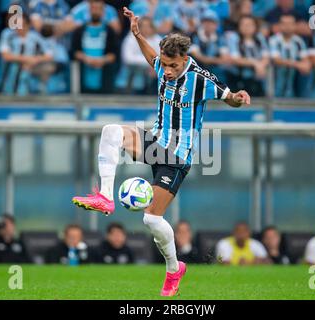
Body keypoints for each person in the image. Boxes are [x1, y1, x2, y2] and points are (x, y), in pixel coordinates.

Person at [72, 6, 250, 297]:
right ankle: (105, 196)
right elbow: (152, 57)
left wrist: (239, 99)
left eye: (173, 66)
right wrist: (138, 34)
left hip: (178, 155)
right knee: (111, 131)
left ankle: (173, 269)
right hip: (155, 142)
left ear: (185, 59)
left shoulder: (200, 79)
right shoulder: (162, 65)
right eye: (165, 65)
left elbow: (228, 97)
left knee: (151, 219)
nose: (166, 71)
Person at [0, 13, 54, 95]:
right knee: (14, 68)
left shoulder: (35, 37)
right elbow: (5, 56)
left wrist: (35, 60)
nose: (19, 28)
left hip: (30, 68)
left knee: (46, 67)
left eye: (22, 25)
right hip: (11, 66)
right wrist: (26, 59)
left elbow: (49, 55)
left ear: (28, 25)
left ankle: (36, 91)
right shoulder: (7, 34)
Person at [71, 0, 118, 93]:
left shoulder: (110, 31)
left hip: (104, 80)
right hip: (82, 78)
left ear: (103, 12)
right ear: (89, 11)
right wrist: (86, 59)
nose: (96, 11)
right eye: (93, 9)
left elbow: (114, 54)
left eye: (98, 9)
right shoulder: (79, 30)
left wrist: (102, 60)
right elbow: (74, 51)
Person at [225, 15, 269, 97]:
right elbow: (236, 59)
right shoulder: (234, 38)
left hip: (256, 78)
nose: (246, 27)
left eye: (249, 25)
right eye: (243, 25)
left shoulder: (259, 38)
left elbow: (266, 56)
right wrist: (256, 63)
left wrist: (261, 65)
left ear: (255, 27)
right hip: (237, 78)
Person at [269, 14, 311, 97]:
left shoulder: (299, 42)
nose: (287, 26)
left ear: (295, 26)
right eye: (284, 24)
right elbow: (276, 60)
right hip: (274, 86)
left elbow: (305, 61)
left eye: (290, 24)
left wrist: (305, 65)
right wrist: (298, 64)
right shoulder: (274, 40)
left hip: (291, 87)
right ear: (280, 26)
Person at [116, 16, 161, 94]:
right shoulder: (130, 38)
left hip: (152, 77)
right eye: (143, 26)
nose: (146, 29)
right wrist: (151, 64)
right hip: (130, 77)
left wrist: (155, 67)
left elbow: (162, 59)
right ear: (138, 27)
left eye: (148, 26)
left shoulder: (158, 39)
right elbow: (128, 59)